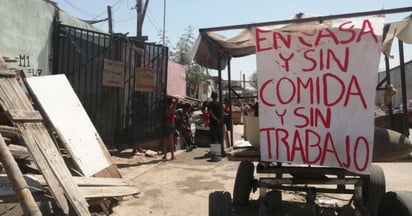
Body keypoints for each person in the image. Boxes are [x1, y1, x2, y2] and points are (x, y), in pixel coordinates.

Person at [163, 96, 178, 160]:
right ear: (171, 103)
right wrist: (172, 97)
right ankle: (172, 156)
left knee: (165, 141)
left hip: (165, 124)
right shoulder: (172, 108)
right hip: (171, 124)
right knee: (171, 141)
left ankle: (165, 156)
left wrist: (168, 97)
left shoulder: (165, 108)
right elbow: (177, 100)